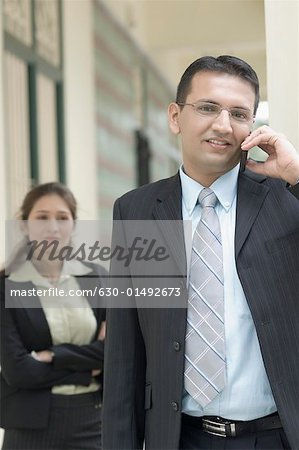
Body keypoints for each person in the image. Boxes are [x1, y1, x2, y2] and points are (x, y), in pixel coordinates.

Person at [102, 55, 299, 450]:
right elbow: (124, 355)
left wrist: (298, 177)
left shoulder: (285, 201)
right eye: (208, 107)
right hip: (181, 439)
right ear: (175, 116)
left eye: (239, 113)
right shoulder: (138, 211)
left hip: (276, 437)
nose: (223, 125)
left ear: (252, 127)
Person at [0, 182, 107, 449]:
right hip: (30, 429)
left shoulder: (97, 278)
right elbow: (18, 372)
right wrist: (85, 369)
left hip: (94, 423)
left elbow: (113, 352)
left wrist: (52, 356)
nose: (53, 227)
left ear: (73, 225)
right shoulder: (8, 286)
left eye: (62, 218)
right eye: (42, 217)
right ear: (24, 225)